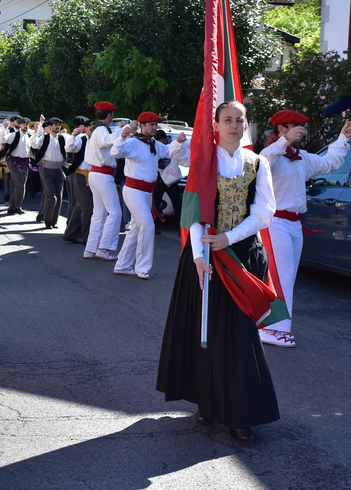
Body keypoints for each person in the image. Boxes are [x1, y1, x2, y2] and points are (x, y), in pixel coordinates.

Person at [156, 100, 279, 444]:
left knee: (239, 336)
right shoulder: (203, 160)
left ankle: (241, 413)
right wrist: (198, 255)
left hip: (241, 255)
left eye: (240, 120)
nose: (235, 125)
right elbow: (194, 210)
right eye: (228, 119)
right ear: (215, 124)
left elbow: (265, 211)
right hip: (204, 255)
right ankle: (208, 401)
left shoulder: (258, 162)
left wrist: (228, 237)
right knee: (203, 332)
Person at [258, 110, 351, 347]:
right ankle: (275, 328)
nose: (301, 130)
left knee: (286, 277)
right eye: (295, 126)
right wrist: (285, 141)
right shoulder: (271, 154)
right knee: (281, 276)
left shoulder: (301, 157)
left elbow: (328, 163)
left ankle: (270, 324)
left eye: (301, 126)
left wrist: (343, 139)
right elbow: (265, 160)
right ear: (281, 128)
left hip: (294, 223)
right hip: (276, 222)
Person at [111, 112, 170, 279]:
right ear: (142, 126)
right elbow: (116, 152)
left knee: (136, 229)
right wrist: (121, 137)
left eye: (156, 124)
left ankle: (122, 265)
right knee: (148, 226)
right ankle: (142, 267)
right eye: (151, 124)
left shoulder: (154, 144)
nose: (155, 127)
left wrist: (182, 143)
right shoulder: (133, 142)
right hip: (134, 191)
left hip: (146, 192)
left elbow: (169, 151)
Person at [83, 101, 123, 260]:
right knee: (115, 212)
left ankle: (91, 248)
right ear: (109, 115)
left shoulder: (96, 129)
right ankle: (104, 248)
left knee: (99, 213)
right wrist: (122, 130)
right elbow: (107, 141)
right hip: (103, 174)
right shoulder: (100, 129)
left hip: (96, 174)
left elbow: (106, 140)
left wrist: (119, 129)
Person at [30, 116, 68, 229]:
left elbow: (70, 146)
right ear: (50, 127)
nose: (57, 127)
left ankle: (53, 221)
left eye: (58, 125)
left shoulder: (62, 138)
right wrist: (36, 132)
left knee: (59, 196)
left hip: (59, 169)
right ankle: (47, 219)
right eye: (55, 125)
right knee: (50, 195)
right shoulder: (44, 138)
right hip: (47, 168)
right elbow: (34, 144)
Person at [62, 116, 93, 244]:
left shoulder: (93, 139)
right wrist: (73, 136)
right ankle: (87, 237)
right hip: (82, 175)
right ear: (84, 128)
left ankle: (70, 233)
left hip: (90, 175)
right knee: (88, 208)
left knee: (81, 206)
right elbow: (69, 148)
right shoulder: (82, 138)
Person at [0, 115, 31, 214]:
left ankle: (13, 206)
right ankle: (16, 206)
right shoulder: (14, 135)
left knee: (19, 185)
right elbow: (3, 139)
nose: (26, 126)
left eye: (27, 124)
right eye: (24, 124)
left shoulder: (29, 136)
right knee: (20, 184)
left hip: (25, 162)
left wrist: (41, 124)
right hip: (14, 162)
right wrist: (4, 128)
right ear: (20, 125)